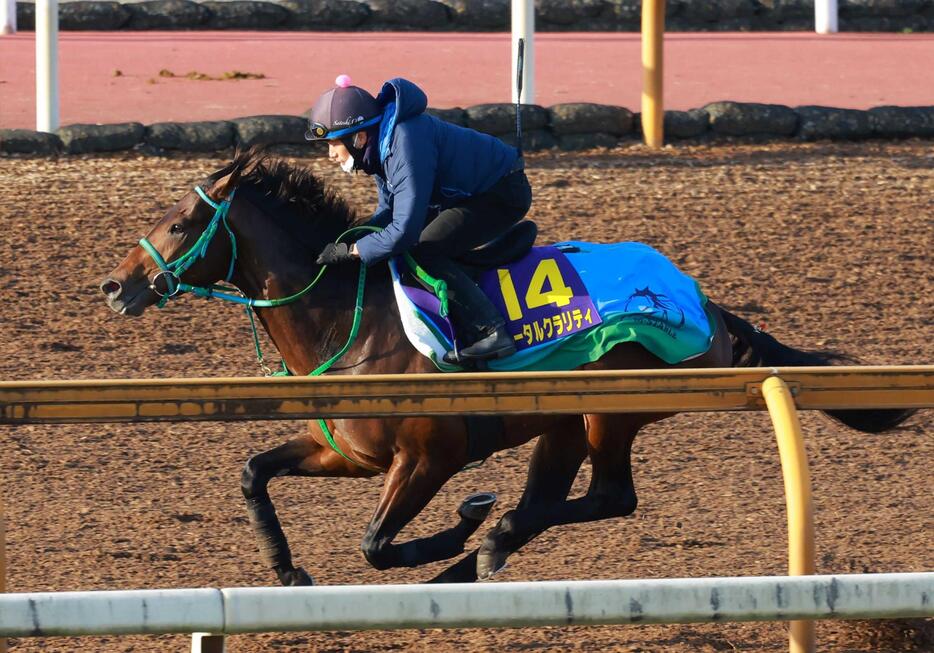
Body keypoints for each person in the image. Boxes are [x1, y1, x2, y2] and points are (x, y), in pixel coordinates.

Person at [307, 75, 532, 363]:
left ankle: (490, 332)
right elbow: (388, 212)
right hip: (467, 193)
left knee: (423, 249)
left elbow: (403, 232)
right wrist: (355, 237)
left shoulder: (404, 144)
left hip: (501, 192)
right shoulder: (380, 143)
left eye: (333, 144)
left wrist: (354, 251)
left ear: (358, 137)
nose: (330, 155)